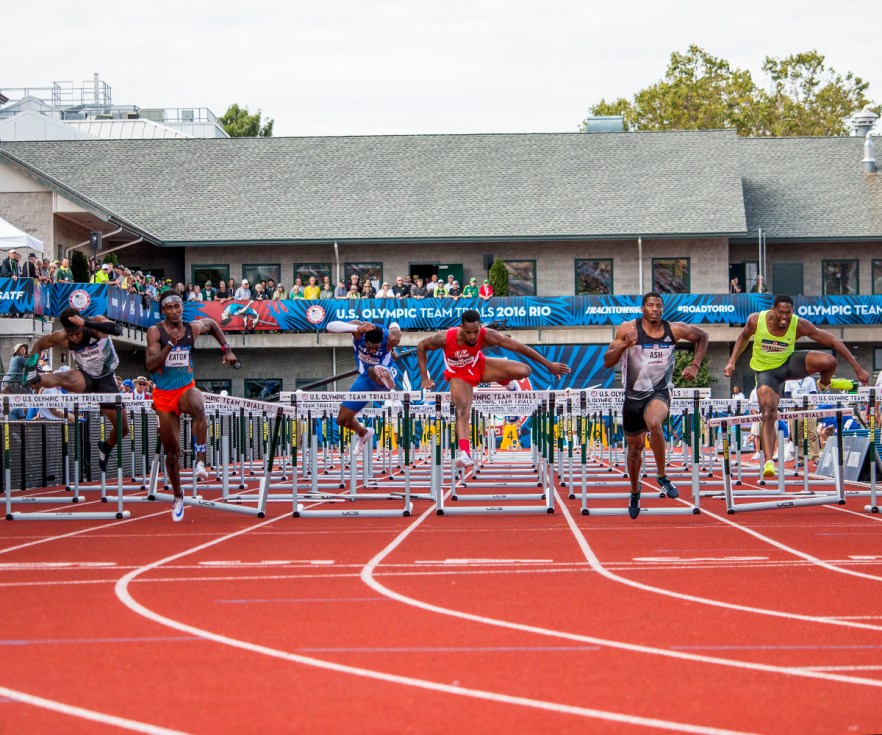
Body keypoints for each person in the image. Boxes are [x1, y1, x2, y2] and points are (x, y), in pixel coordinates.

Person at [723, 293, 869, 479]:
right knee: (768, 412)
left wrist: (857, 368)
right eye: (781, 313)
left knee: (829, 361)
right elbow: (742, 338)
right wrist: (732, 361)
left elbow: (832, 340)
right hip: (767, 373)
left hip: (790, 364)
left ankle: (824, 383)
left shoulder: (799, 324)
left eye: (788, 313)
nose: (784, 317)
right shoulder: (755, 320)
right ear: (773, 310)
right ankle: (769, 462)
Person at [418, 309, 570, 468]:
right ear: (461, 327)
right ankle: (465, 454)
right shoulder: (444, 337)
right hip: (459, 375)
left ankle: (508, 383)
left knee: (525, 371)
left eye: (475, 332)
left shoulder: (486, 335)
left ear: (480, 327)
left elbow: (518, 347)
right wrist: (424, 377)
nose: (472, 336)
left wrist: (548, 365)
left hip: (479, 366)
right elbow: (421, 346)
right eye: (468, 332)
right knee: (462, 410)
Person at [603, 292, 708, 518]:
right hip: (632, 396)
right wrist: (624, 346)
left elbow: (702, 336)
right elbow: (607, 360)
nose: (655, 309)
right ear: (643, 309)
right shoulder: (627, 329)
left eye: (658, 305)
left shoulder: (674, 330)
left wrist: (696, 365)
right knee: (634, 452)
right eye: (650, 305)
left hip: (659, 391)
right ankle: (634, 492)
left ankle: (662, 477)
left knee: (654, 423)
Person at [146, 289, 238, 521]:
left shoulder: (192, 328)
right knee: (172, 454)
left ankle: (199, 461)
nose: (175, 312)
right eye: (170, 308)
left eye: (178, 307)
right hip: (164, 395)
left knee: (199, 404)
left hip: (185, 388)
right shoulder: (154, 332)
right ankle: (178, 495)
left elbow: (213, 324)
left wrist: (226, 349)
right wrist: (170, 346)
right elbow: (149, 365)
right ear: (163, 310)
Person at [24, 307, 129, 473]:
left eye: (77, 333)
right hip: (85, 376)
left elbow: (117, 329)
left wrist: (86, 323)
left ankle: (106, 447)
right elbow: (39, 344)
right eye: (70, 334)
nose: (74, 337)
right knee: (63, 377)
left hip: (106, 378)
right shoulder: (63, 337)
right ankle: (34, 379)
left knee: (123, 429)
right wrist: (31, 368)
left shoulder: (96, 325)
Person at [327, 319, 403, 456]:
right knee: (342, 420)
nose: (372, 351)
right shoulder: (359, 333)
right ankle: (364, 433)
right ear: (364, 339)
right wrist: (357, 329)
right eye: (369, 347)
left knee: (374, 370)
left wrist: (392, 347)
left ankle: (386, 378)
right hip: (366, 380)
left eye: (376, 347)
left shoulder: (390, 339)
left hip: (387, 372)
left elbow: (396, 330)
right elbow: (330, 326)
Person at [784, 376, 820, 463]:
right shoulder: (789, 380)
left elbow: (813, 393)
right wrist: (796, 402)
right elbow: (787, 395)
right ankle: (801, 458)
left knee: (812, 433)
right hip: (795, 409)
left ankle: (816, 457)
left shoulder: (810, 379)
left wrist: (806, 402)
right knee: (796, 435)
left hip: (808, 408)